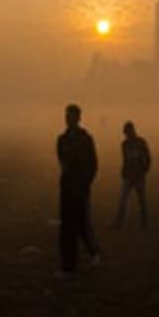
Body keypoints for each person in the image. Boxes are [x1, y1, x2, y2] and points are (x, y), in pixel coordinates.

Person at [57, 103, 100, 273]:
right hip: (66, 189)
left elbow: (93, 164)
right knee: (67, 226)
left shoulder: (85, 139)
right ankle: (69, 264)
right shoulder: (62, 139)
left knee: (81, 223)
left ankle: (92, 252)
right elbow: (62, 161)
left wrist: (85, 183)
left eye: (72, 117)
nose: (68, 120)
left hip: (80, 189)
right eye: (66, 116)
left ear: (78, 118)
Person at [112, 121, 152, 230]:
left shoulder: (139, 143)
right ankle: (119, 222)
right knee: (125, 200)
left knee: (140, 200)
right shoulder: (125, 144)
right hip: (130, 176)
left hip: (138, 175)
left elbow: (147, 158)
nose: (127, 134)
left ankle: (143, 223)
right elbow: (125, 160)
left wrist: (143, 171)